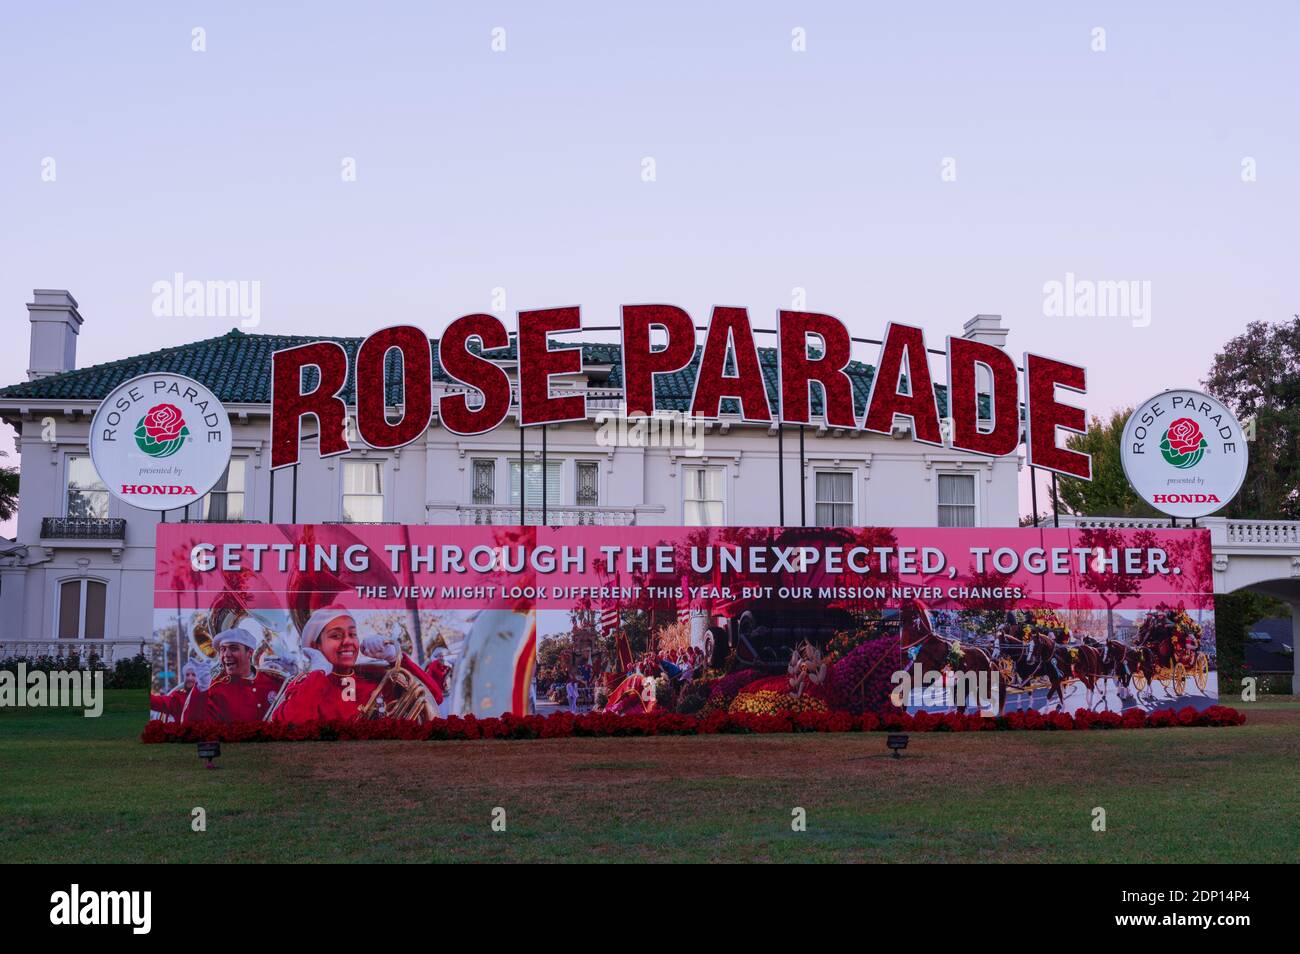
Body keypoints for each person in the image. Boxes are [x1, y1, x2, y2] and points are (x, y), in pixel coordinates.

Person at [271, 606, 445, 723]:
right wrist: (318, 673)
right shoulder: (304, 684)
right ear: (317, 645)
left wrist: (395, 659)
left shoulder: (376, 675)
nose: (347, 641)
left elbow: (433, 698)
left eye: (352, 634)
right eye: (336, 636)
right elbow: (290, 724)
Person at [180, 627, 283, 723]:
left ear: (249, 653)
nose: (226, 655)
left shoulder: (274, 681)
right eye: (222, 649)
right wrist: (200, 688)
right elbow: (192, 726)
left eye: (233, 648)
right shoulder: (216, 690)